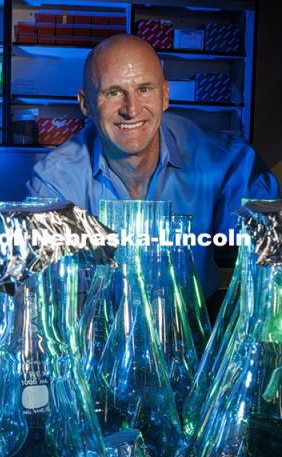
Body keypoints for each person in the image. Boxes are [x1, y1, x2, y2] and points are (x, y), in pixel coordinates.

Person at [27, 34, 279, 300]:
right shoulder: (55, 181)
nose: (131, 109)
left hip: (195, 333)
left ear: (165, 96)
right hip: (95, 334)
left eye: (145, 89)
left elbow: (274, 266)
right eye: (113, 93)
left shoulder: (226, 161)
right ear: (86, 104)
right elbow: (43, 295)